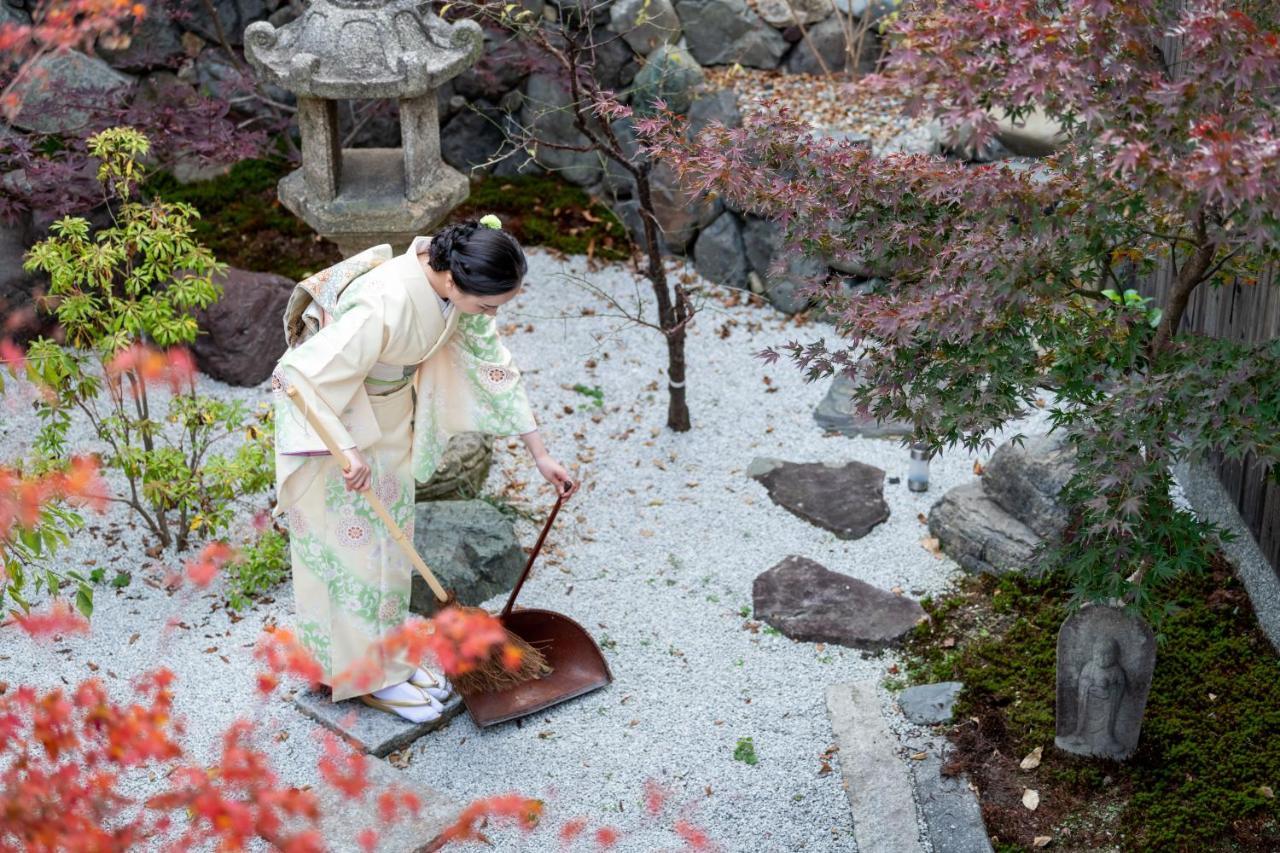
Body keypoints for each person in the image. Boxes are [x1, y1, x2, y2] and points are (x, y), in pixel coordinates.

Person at [270, 216, 578, 722]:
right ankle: (363, 678)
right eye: (488, 304)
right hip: (334, 429)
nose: (490, 314)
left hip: (387, 422)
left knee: (392, 549)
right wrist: (345, 450)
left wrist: (540, 453)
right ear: (455, 280)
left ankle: (390, 660)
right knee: (355, 560)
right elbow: (297, 376)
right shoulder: (384, 302)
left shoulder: (450, 286)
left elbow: (491, 362)